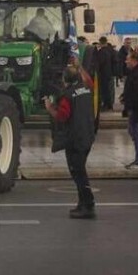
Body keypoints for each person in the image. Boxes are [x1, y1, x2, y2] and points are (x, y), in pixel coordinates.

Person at [44, 65, 97, 219]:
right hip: (87, 135)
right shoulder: (86, 89)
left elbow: (62, 116)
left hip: (75, 139)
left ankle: (88, 204)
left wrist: (49, 108)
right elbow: (89, 81)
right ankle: (82, 203)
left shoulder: (67, 95)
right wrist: (80, 67)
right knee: (80, 170)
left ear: (65, 79)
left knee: (78, 173)